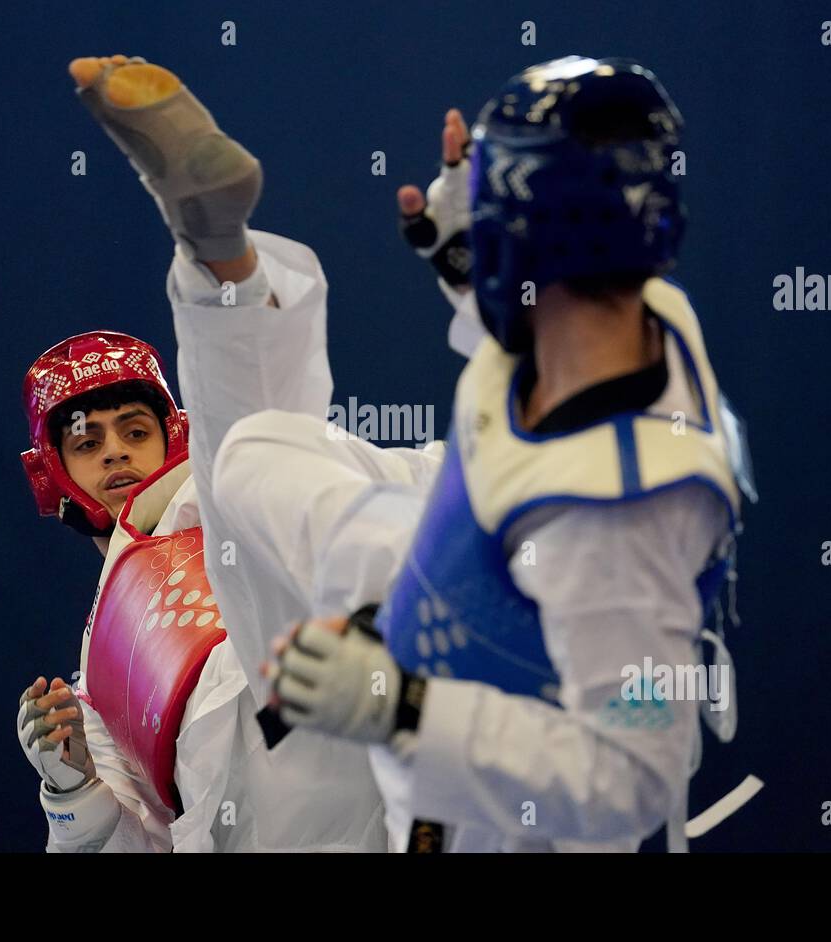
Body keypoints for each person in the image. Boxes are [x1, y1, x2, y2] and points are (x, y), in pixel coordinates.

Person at [233, 56, 758, 851]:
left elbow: (631, 777)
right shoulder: (649, 312)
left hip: (497, 816)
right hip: (465, 594)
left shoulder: (617, 516)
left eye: (488, 212)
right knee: (257, 449)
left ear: (529, 240)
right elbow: (542, 329)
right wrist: (466, 262)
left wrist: (397, 705)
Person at [13, 54, 387, 853]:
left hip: (343, 695)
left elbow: (273, 461)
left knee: (257, 475)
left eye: (135, 429)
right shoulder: (97, 670)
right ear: (53, 477)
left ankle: (220, 257)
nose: (116, 452)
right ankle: (221, 265)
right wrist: (70, 786)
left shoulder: (201, 495)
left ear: (171, 434)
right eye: (87, 442)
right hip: (253, 824)